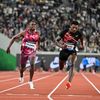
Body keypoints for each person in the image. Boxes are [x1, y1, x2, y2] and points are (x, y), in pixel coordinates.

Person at [6, 20, 40, 89]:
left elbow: (38, 40)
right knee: (22, 68)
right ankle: (21, 75)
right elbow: (14, 38)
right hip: (24, 52)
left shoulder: (37, 33)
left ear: (35, 26)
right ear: (29, 25)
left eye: (34, 24)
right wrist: (8, 47)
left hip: (32, 52)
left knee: (32, 64)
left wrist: (37, 47)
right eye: (32, 24)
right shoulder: (24, 33)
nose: (33, 25)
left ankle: (30, 81)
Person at [53, 21, 84, 89]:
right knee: (61, 66)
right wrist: (61, 46)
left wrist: (81, 46)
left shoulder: (79, 34)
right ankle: (65, 65)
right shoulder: (65, 32)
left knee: (72, 63)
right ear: (70, 26)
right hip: (64, 50)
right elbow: (56, 40)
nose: (74, 29)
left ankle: (69, 82)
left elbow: (82, 44)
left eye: (76, 28)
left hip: (73, 51)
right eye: (73, 27)